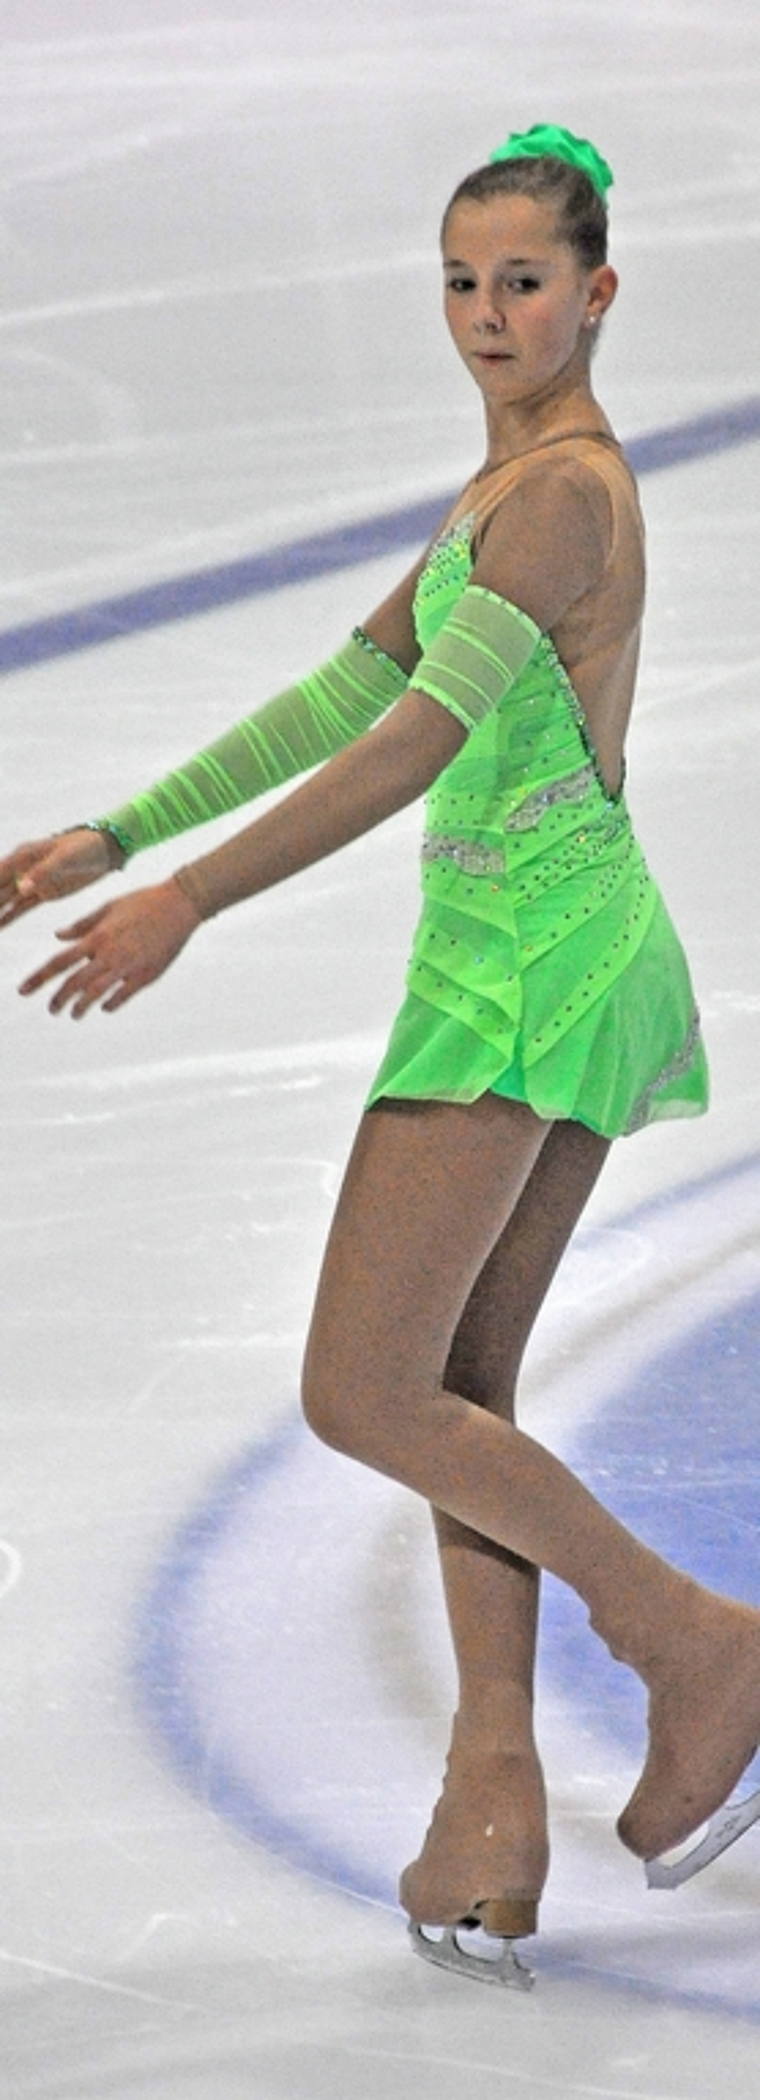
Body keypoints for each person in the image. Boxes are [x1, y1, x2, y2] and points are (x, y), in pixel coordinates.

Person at [2, 123, 759, 1990]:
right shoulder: (499, 488)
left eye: (523, 281)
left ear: (597, 293)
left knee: (362, 1388)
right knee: (460, 1386)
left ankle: (694, 1644)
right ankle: (493, 1802)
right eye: (459, 279)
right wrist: (119, 829)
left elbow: (411, 747)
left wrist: (187, 899)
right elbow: (347, 687)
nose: (488, 313)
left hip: (528, 970)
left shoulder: (562, 494)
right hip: (548, 951)